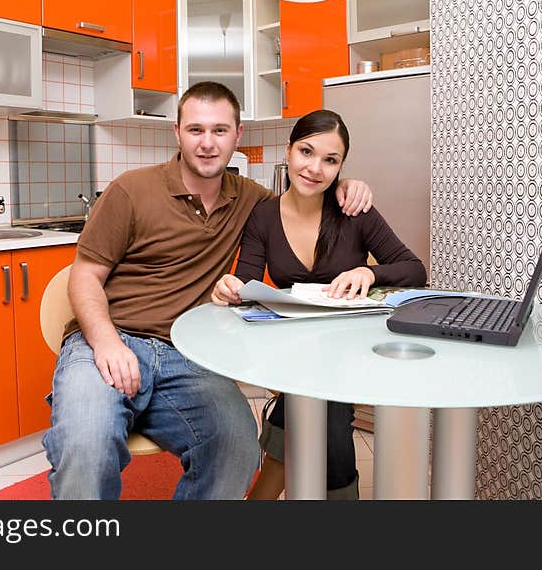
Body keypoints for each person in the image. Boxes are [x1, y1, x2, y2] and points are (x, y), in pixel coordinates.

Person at [42, 82, 375, 500]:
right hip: (109, 342)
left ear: (238, 137)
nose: (207, 143)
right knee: (85, 446)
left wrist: (344, 186)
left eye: (219, 131)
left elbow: (304, 195)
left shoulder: (252, 201)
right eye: (196, 130)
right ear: (177, 133)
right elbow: (84, 276)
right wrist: (107, 343)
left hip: (188, 352)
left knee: (236, 446)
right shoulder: (130, 189)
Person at [211, 109, 427, 500]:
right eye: (306, 152)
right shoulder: (263, 216)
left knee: (320, 406)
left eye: (331, 160)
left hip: (350, 349)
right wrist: (230, 288)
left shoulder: (353, 211)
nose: (315, 168)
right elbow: (246, 280)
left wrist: (369, 274)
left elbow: (415, 269)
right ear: (288, 151)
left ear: (341, 167)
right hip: (295, 349)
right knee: (319, 408)